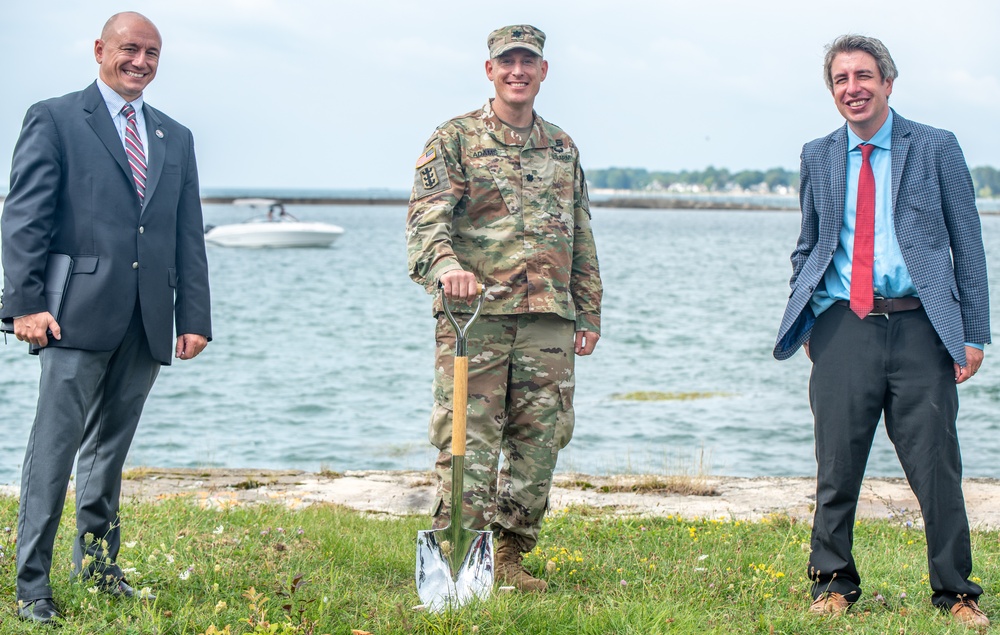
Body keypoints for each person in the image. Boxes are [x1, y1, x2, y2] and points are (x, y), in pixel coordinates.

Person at [0, 12, 212, 624]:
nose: (140, 62)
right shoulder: (55, 118)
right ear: (99, 50)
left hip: (147, 320)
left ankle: (97, 566)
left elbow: (185, 234)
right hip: (71, 316)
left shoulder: (176, 136)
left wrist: (191, 316)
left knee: (108, 454)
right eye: (128, 49)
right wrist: (25, 304)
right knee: (54, 451)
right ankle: (31, 584)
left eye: (151, 53)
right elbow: (25, 218)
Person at [773, 34, 989, 627]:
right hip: (844, 325)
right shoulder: (817, 154)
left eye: (864, 76)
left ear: (888, 83)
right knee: (836, 466)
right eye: (841, 80)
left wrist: (973, 335)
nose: (853, 89)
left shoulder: (936, 147)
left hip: (921, 324)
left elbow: (967, 247)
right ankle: (832, 583)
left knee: (937, 467)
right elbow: (809, 244)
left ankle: (956, 593)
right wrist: (813, 317)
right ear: (833, 90)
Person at [406, 25, 602, 592]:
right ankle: (460, 550)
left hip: (548, 318)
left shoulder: (562, 146)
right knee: (466, 437)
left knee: (541, 438)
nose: (517, 71)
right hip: (477, 318)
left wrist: (588, 311)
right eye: (506, 62)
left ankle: (510, 556)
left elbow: (580, 231)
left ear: (544, 72)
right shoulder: (455, 139)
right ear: (489, 70)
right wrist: (447, 269)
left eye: (528, 62)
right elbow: (426, 222)